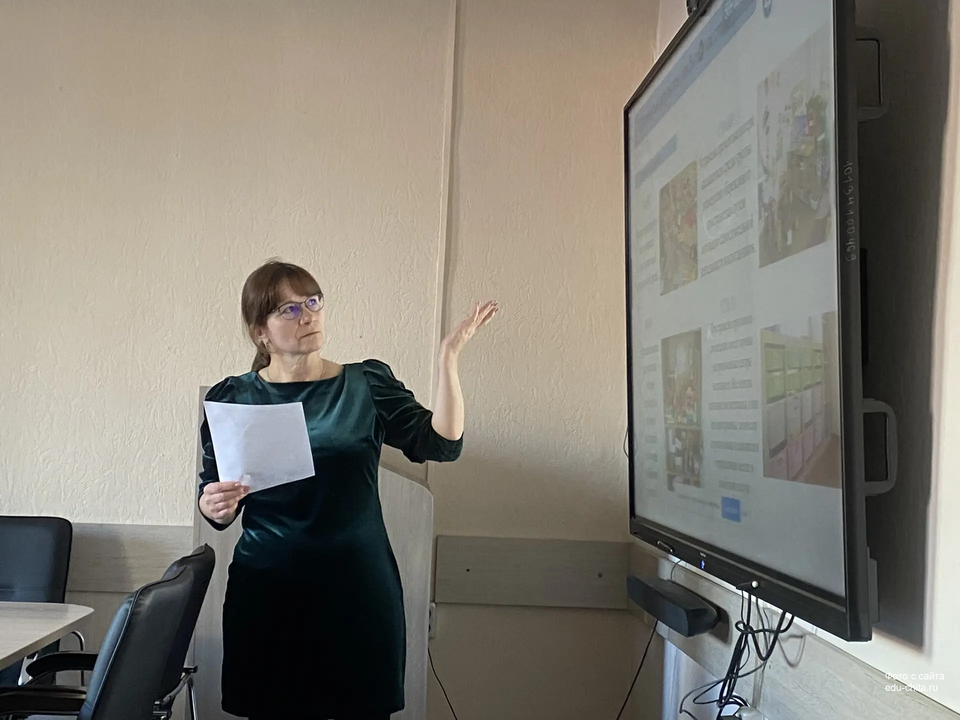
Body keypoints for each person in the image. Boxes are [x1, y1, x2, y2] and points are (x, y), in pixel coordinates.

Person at [197, 259, 497, 719]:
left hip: (357, 590)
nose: (307, 316)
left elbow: (441, 443)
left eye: (313, 302)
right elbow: (216, 500)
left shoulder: (366, 384)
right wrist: (213, 505)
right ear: (260, 332)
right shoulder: (233, 398)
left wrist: (448, 359)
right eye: (289, 309)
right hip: (268, 592)